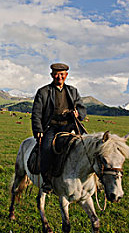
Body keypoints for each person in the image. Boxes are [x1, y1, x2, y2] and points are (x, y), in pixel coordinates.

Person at [31, 63, 87, 193]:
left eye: (62, 74)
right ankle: (47, 181)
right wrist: (38, 130)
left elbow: (82, 109)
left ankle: (95, 179)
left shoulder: (73, 91)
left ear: (66, 75)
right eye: (56, 74)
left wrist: (78, 114)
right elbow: (36, 113)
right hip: (51, 127)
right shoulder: (43, 92)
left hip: (70, 126)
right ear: (52, 75)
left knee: (87, 146)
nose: (59, 77)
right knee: (46, 148)